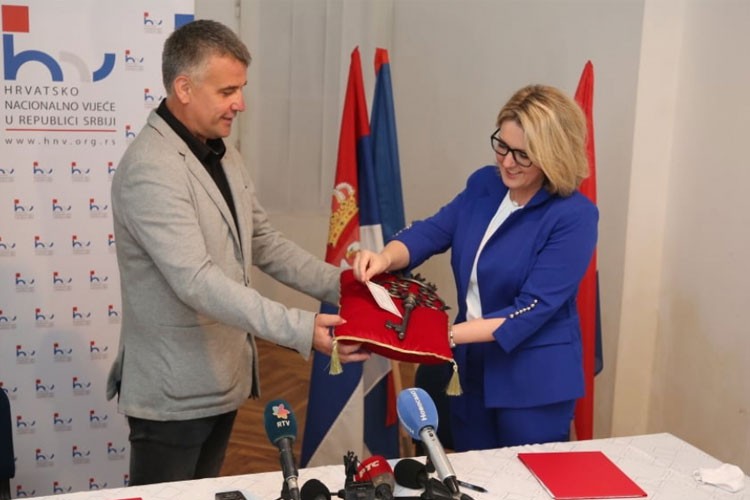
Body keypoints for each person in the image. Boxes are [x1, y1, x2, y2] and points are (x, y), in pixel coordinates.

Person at [106, 19, 368, 485]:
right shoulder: (150, 168)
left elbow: (262, 241)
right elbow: (196, 281)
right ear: (184, 88)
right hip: (173, 393)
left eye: (241, 89)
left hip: (222, 379)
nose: (240, 104)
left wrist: (348, 286)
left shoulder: (221, 151)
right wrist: (301, 327)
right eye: (228, 91)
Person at [354, 84, 598, 451]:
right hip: (471, 366)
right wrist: (385, 257)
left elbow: (533, 308)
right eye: (502, 146)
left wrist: (443, 336)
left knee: (522, 479)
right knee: (472, 471)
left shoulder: (574, 215)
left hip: (532, 381)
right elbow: (434, 230)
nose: (507, 162)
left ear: (553, 155)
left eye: (523, 155)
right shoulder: (486, 184)